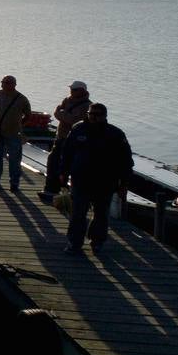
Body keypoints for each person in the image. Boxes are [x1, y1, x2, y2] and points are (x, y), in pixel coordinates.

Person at [60, 103, 134, 255]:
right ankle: (74, 243)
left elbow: (126, 161)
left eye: (98, 114)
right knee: (78, 214)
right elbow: (67, 152)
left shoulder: (116, 134)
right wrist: (63, 172)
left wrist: (124, 184)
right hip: (81, 180)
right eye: (91, 113)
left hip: (105, 182)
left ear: (105, 116)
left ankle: (97, 242)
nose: (94, 117)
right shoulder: (78, 129)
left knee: (101, 215)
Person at [40, 80, 92, 202]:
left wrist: (61, 114)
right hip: (61, 137)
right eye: (71, 89)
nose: (71, 91)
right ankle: (51, 190)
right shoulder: (67, 100)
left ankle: (70, 193)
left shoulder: (87, 106)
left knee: (69, 166)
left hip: (74, 141)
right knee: (53, 161)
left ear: (82, 91)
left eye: (74, 89)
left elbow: (73, 121)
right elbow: (58, 113)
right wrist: (62, 114)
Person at [0, 74, 31, 193]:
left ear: (14, 85)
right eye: (3, 82)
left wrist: (19, 125)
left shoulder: (21, 99)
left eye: (6, 83)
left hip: (13, 134)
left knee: (15, 160)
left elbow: (28, 115)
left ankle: (14, 183)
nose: (3, 85)